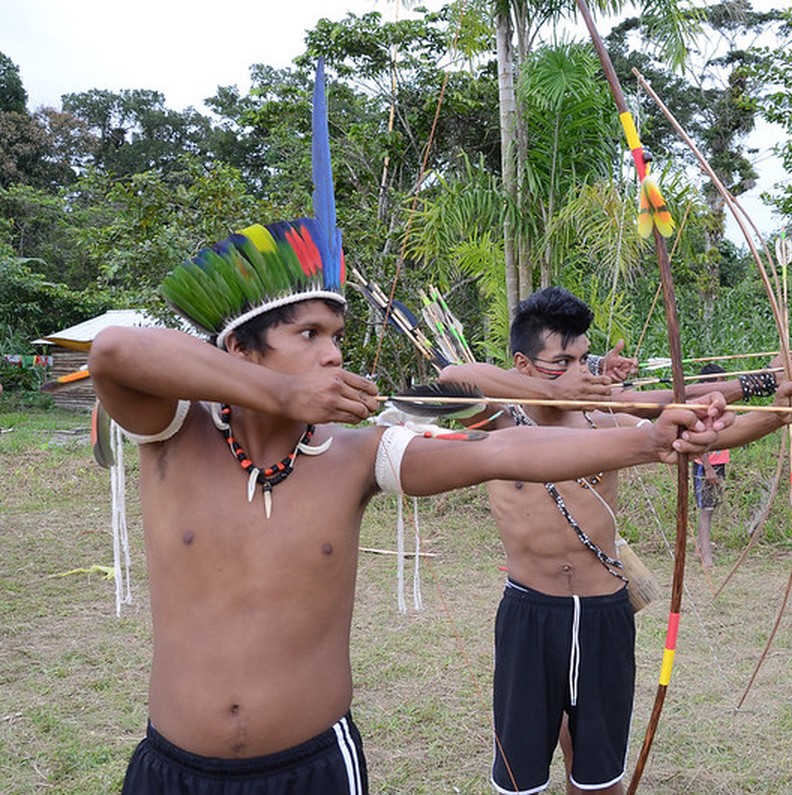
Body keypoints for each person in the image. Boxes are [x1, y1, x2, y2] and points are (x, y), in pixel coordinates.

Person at [89, 222, 733, 795]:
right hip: (174, 767)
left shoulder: (355, 455)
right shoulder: (174, 433)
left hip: (316, 764)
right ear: (239, 350)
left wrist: (649, 440)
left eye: (337, 336)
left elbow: (500, 450)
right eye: (308, 334)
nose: (332, 354)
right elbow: (115, 351)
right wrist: (282, 394)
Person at [437, 286, 792, 795]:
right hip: (530, 612)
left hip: (604, 611)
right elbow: (452, 376)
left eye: (583, 360)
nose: (579, 372)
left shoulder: (607, 421)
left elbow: (691, 419)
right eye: (562, 362)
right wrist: (549, 393)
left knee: (599, 778)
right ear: (522, 365)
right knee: (520, 779)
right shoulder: (496, 424)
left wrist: (776, 410)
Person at [692, 364, 730, 569]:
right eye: (719, 382)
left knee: (710, 507)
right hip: (705, 465)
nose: (722, 387)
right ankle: (706, 557)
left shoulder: (718, 406)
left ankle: (702, 548)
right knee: (705, 509)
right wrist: (707, 467)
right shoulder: (701, 408)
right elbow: (698, 441)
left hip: (718, 462)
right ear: (706, 384)